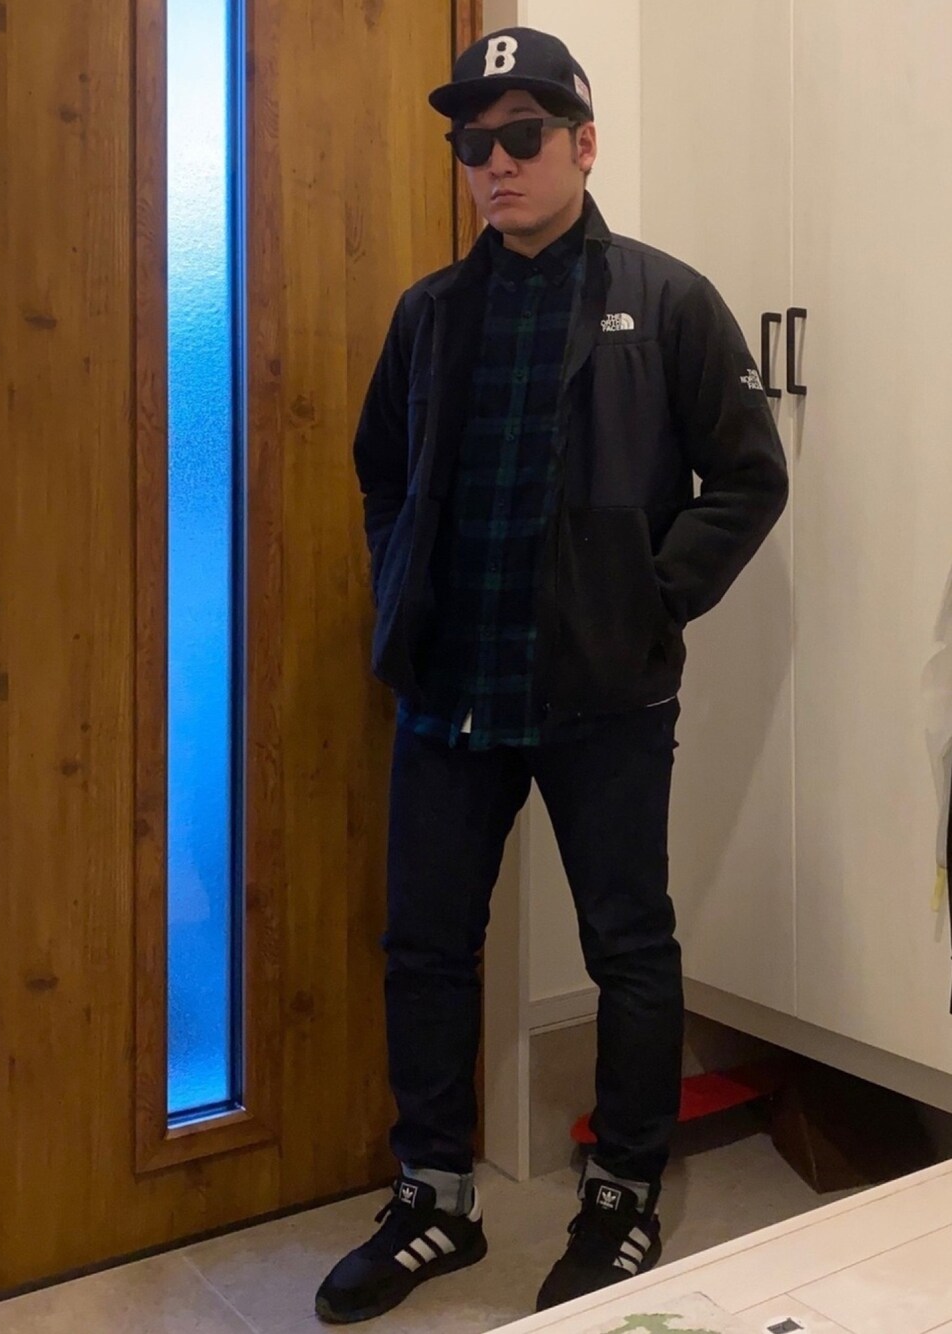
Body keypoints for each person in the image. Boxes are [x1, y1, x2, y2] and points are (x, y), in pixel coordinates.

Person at [315, 26, 788, 1325]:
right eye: (474, 143)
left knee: (628, 944)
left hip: (604, 697)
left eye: (523, 136)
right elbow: (378, 472)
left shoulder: (666, 300)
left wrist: (651, 596)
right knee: (425, 945)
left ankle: (621, 1195)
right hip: (449, 692)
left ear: (584, 144)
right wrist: (403, 584)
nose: (496, 163)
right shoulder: (430, 315)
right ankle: (434, 1197)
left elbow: (750, 479)